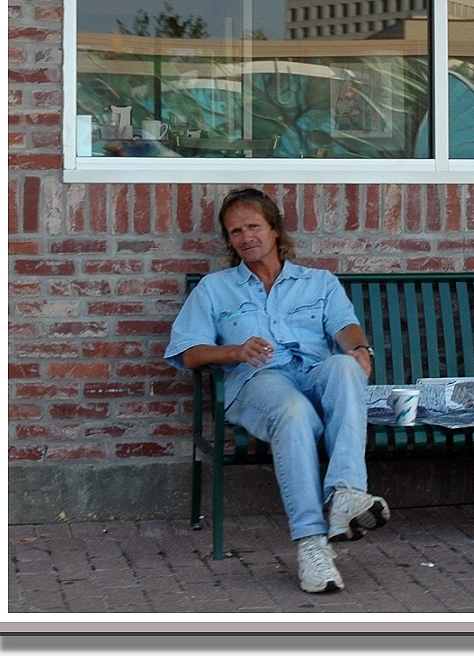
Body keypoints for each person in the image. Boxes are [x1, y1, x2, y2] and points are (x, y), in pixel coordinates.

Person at [164, 187, 388, 593]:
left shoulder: (318, 282)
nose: (246, 237)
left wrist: (358, 349)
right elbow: (188, 353)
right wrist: (234, 350)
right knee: (294, 412)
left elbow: (345, 326)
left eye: (253, 227)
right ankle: (311, 544)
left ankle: (346, 494)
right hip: (258, 383)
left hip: (313, 376)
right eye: (235, 232)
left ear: (274, 229)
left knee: (344, 366)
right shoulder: (215, 289)